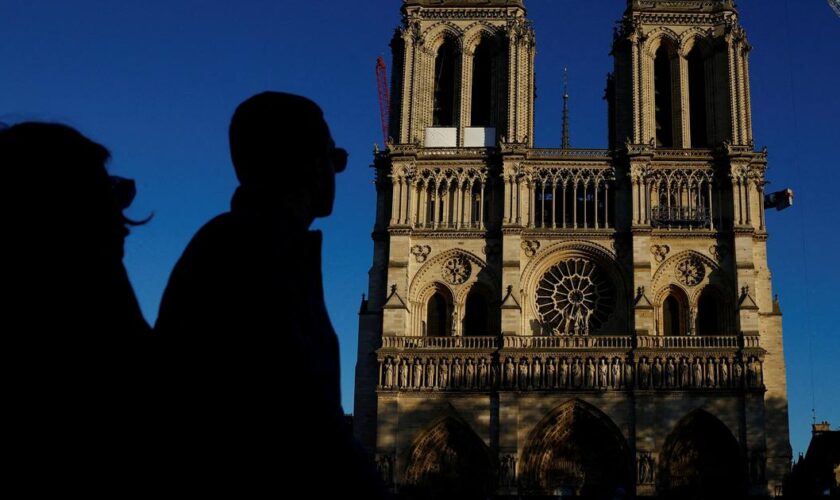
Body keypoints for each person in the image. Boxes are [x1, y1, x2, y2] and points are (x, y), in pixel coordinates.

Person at [155, 92, 385, 496]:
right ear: (306, 162)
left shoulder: (250, 242)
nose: (337, 170)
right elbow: (298, 413)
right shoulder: (250, 250)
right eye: (334, 156)